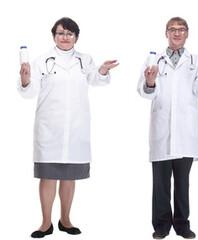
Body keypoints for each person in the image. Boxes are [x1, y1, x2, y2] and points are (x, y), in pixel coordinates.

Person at [17, 17, 118, 239]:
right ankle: (45, 223)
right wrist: (25, 79)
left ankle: (65, 220)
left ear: (76, 38)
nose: (65, 37)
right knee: (48, 176)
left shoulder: (85, 59)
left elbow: (97, 80)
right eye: (61, 33)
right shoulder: (42, 61)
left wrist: (101, 70)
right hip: (49, 128)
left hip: (75, 129)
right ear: (53, 36)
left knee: (69, 176)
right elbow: (29, 91)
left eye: (70, 34)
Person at [137, 17, 198, 240]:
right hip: (162, 131)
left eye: (181, 30)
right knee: (160, 184)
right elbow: (144, 90)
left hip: (185, 132)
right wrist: (149, 83)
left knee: (183, 183)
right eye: (172, 30)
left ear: (187, 34)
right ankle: (161, 225)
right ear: (165, 33)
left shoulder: (196, 60)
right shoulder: (154, 60)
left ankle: (182, 224)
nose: (177, 33)